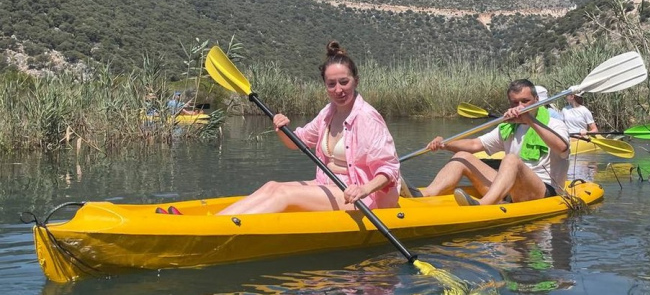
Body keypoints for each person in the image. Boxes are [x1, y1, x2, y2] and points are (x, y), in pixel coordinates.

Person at [210, 41, 401, 215]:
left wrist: (364, 189)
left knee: (285, 194)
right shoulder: (328, 112)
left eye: (344, 82)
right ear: (325, 85)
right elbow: (297, 142)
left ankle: (222, 228)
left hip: (361, 196)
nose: (338, 90)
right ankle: (218, 222)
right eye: (331, 84)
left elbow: (390, 168)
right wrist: (281, 128)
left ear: (355, 81)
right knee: (273, 186)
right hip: (328, 185)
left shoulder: (367, 117)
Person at [409, 79, 570, 206]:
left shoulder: (554, 124)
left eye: (525, 101)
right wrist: (445, 144)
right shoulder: (508, 127)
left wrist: (529, 119)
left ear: (536, 100)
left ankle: (483, 204)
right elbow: (475, 145)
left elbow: (562, 148)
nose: (520, 107)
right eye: (515, 103)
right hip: (511, 189)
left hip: (543, 191)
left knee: (511, 159)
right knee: (462, 156)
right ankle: (424, 194)